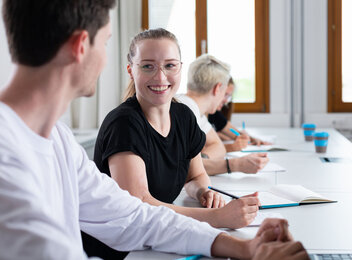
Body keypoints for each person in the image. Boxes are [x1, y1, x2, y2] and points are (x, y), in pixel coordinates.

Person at [0, 1, 309, 260]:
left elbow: (137, 216)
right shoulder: (8, 163)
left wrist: (246, 247)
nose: (105, 58)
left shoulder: (58, 140)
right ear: (81, 46)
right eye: (106, 42)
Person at [83, 27, 264, 258]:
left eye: (169, 65)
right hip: (120, 250)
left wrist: (202, 193)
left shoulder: (183, 116)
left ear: (180, 67)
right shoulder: (124, 124)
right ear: (131, 70)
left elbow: (195, 176)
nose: (160, 77)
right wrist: (218, 218)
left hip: (158, 239)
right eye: (148, 66)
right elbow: (140, 205)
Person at [176, 55, 270, 175]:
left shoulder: (197, 112)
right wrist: (236, 164)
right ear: (218, 88)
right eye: (225, 93)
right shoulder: (182, 111)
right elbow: (181, 168)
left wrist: (202, 161)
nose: (225, 101)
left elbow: (218, 147)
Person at [208, 77, 272, 153]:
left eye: (228, 96)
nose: (226, 101)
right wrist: (232, 146)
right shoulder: (200, 114)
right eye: (225, 94)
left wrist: (252, 139)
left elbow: (233, 132)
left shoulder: (215, 114)